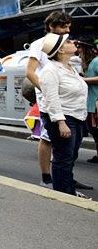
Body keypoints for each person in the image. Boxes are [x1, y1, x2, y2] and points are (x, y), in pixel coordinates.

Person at [26, 12, 73, 187]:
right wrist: (47, 90)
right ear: (51, 26)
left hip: (66, 98)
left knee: (67, 141)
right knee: (47, 137)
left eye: (68, 27)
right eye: (63, 27)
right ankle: (46, 177)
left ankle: (67, 177)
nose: (67, 30)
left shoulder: (67, 44)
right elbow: (30, 72)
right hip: (49, 98)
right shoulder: (39, 44)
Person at [39, 34, 89, 196]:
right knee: (63, 157)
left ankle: (68, 189)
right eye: (68, 41)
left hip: (77, 117)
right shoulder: (50, 70)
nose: (74, 42)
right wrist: (61, 122)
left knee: (71, 155)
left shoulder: (70, 67)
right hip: (63, 118)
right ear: (60, 50)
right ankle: (64, 193)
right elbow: (51, 98)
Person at [78, 39, 98, 164]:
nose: (77, 50)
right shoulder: (88, 63)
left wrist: (83, 80)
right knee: (95, 132)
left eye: (79, 47)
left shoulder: (96, 61)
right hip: (90, 103)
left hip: (96, 103)